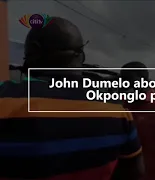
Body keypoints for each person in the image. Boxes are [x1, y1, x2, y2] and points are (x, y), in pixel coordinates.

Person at [0, 17, 144, 180]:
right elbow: (135, 173)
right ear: (80, 56)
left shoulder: (5, 101)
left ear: (34, 50)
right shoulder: (117, 111)